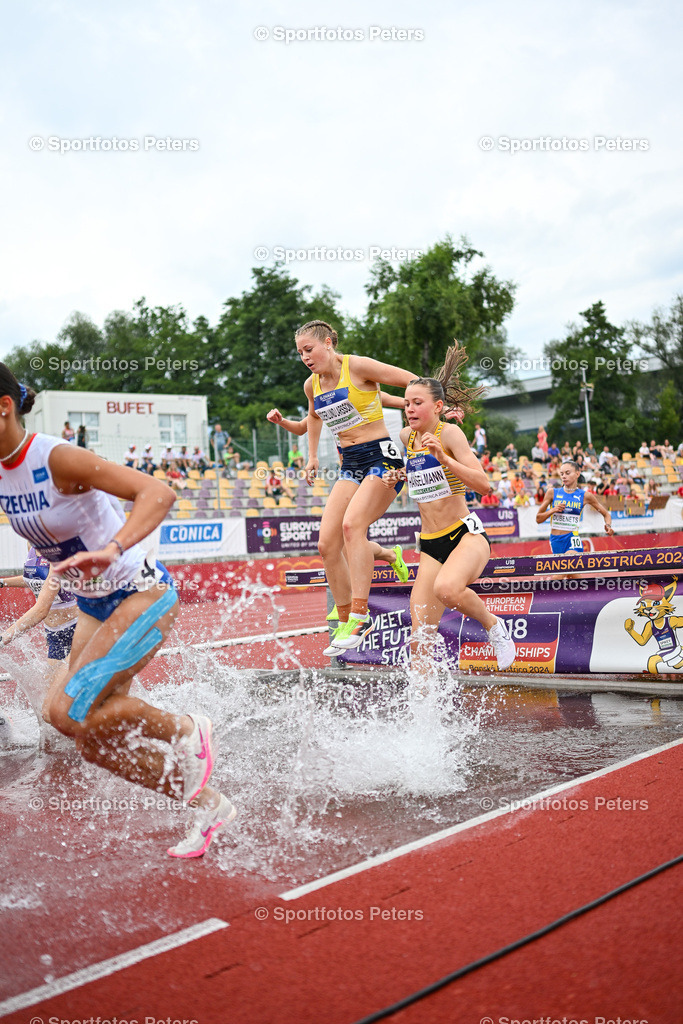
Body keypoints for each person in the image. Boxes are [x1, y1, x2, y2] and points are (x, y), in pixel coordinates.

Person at [0, 364, 233, 858]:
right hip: (94, 605)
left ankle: (189, 728)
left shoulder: (57, 458)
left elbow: (158, 492)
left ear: (3, 409)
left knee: (67, 707)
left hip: (141, 593)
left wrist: (114, 546)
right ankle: (207, 805)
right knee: (83, 733)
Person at [386, 343, 516, 672]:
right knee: (420, 638)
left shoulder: (451, 434)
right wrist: (400, 476)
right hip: (430, 545)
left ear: (438, 406)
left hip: (465, 536)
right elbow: (420, 476)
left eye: (417, 403)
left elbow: (484, 485)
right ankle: (423, 715)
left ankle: (495, 627)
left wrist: (444, 458)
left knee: (446, 588)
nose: (410, 410)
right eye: (406, 404)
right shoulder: (407, 437)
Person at [295, 320, 414, 653]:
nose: (305, 357)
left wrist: (435, 408)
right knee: (326, 544)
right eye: (300, 353)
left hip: (383, 458)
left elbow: (411, 381)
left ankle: (362, 615)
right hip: (351, 463)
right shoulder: (312, 385)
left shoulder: (357, 366)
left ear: (329, 343)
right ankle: (347, 619)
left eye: (309, 349)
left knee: (352, 526)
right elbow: (314, 417)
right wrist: (312, 458)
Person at [0, 545, 78, 723]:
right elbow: (35, 579)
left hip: (76, 630)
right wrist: (3, 582)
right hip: (54, 636)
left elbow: (40, 610)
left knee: (52, 708)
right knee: (51, 711)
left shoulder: (59, 553)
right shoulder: (31, 545)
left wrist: (3, 638)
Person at [535, 459, 614, 554]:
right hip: (556, 539)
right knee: (562, 567)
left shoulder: (585, 496)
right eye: (562, 474)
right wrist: (553, 510)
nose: (564, 476)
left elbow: (606, 514)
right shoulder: (552, 492)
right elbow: (538, 519)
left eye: (567, 473)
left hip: (573, 537)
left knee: (571, 559)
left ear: (577, 474)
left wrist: (608, 526)